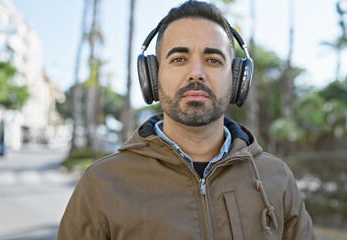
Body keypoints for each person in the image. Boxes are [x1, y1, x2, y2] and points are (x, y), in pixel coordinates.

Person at [57, 1, 316, 239]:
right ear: (153, 76)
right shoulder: (101, 183)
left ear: (237, 80)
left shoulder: (278, 178)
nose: (196, 73)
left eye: (213, 60)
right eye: (179, 59)